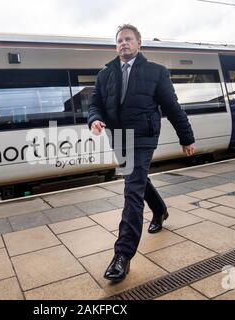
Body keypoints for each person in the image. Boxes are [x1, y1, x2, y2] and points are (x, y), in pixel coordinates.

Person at [88, 24, 195, 282]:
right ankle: (159, 210)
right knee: (136, 180)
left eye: (128, 39)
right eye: (119, 40)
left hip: (144, 138)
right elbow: (95, 103)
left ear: (139, 44)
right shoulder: (105, 74)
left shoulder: (155, 72)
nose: (123, 43)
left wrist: (186, 136)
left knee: (131, 191)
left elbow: (171, 106)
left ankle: (123, 255)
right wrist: (94, 119)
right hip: (119, 138)